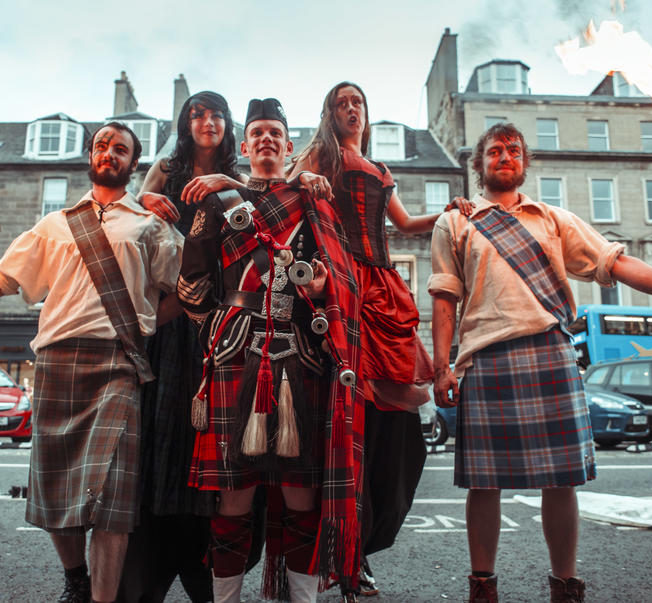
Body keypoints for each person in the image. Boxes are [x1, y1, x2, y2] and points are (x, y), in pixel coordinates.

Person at [428, 122, 652, 603]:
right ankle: (482, 587)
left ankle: (565, 586)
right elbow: (445, 298)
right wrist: (441, 365)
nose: (504, 156)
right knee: (483, 484)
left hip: (550, 352)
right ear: (479, 164)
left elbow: (617, 263)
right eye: (494, 150)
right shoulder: (455, 222)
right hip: (485, 357)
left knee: (562, 479)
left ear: (525, 162)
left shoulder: (554, 219)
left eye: (514, 149)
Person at [0, 122, 184, 603]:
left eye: (120, 149)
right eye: (102, 146)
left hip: (118, 364)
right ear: (90, 156)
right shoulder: (54, 225)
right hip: (57, 360)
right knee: (55, 490)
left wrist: (144, 325)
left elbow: (181, 293)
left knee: (112, 498)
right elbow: (0, 280)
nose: (109, 153)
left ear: (133, 164)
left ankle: (103, 600)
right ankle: (77, 579)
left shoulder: (151, 225)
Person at [178, 98, 362, 602]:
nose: (265, 140)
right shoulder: (217, 204)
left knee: (300, 493)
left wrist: (325, 292)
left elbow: (346, 285)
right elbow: (191, 284)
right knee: (233, 494)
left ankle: (301, 599)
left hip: (299, 354)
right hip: (234, 353)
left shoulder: (314, 203)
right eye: (257, 131)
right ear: (245, 145)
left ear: (287, 145)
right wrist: (219, 328)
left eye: (275, 133)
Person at [289, 81, 437, 600]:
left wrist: (455, 210)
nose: (352, 109)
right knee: (354, 422)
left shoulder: (378, 168)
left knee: (396, 430)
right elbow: (286, 190)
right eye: (341, 103)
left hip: (384, 286)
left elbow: (406, 224)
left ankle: (362, 548)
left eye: (359, 103)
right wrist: (307, 178)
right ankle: (341, 553)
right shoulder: (319, 156)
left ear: (367, 114)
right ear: (330, 114)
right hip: (342, 283)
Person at [117, 91, 246, 603]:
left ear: (227, 124)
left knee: (210, 427)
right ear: (185, 122)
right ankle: (154, 547)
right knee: (163, 419)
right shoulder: (166, 169)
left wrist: (229, 184)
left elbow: (270, 197)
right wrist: (146, 199)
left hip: (219, 319)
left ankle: (202, 552)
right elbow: (127, 209)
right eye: (198, 114)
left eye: (216, 114)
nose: (208, 121)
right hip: (169, 318)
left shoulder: (237, 172)